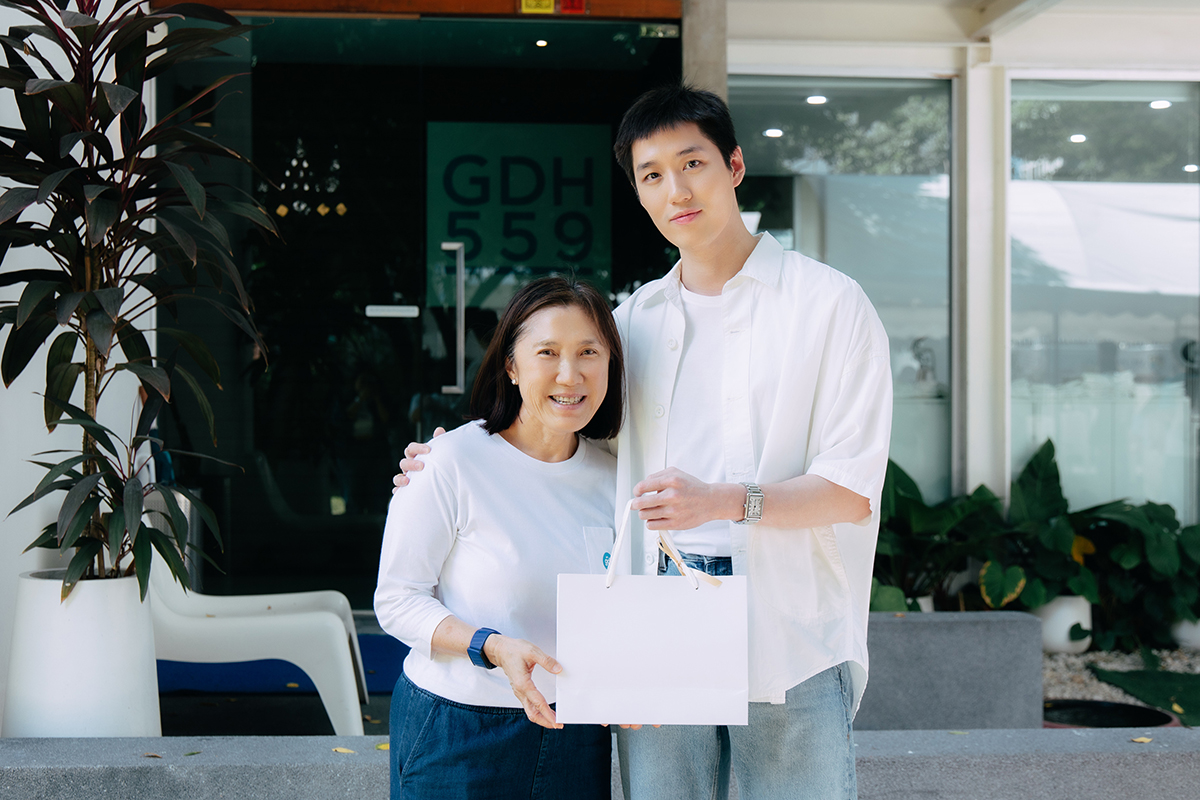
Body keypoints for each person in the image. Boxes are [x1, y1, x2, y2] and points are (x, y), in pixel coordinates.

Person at [397, 84, 892, 800]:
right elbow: (567, 438)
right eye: (651, 175)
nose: (676, 191)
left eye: (692, 164)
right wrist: (456, 456)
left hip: (791, 634)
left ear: (735, 166)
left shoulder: (830, 305)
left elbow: (850, 490)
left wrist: (723, 502)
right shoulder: (630, 324)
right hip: (655, 636)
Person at [375, 277, 625, 800]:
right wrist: (488, 645)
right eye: (547, 353)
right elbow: (396, 600)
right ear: (511, 366)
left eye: (588, 352)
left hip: (576, 735)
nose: (570, 374)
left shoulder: (617, 480)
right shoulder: (451, 462)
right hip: (458, 731)